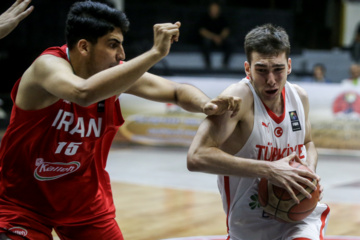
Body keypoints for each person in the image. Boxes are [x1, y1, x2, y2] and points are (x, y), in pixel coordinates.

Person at [0, 1, 241, 240]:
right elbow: (83, 93)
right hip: (22, 204)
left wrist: (205, 104)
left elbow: (177, 91)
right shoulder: (47, 66)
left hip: (85, 205)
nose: (122, 55)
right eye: (113, 45)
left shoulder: (114, 77)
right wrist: (155, 53)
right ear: (84, 46)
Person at [187, 24, 330, 240]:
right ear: (248, 69)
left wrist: (308, 171)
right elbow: (196, 157)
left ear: (289, 65)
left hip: (298, 221)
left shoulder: (299, 97)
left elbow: (308, 143)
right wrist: (269, 170)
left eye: (278, 69)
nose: (271, 79)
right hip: (248, 227)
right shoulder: (238, 98)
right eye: (262, 70)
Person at [197, 1, 232, 69]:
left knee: (230, 43)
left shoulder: (222, 18)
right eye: (213, 8)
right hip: (209, 39)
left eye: (216, 9)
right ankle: (208, 65)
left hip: (220, 39)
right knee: (205, 43)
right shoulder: (204, 18)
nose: (214, 10)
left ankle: (225, 64)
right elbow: (202, 31)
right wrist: (214, 37)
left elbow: (226, 30)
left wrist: (220, 37)